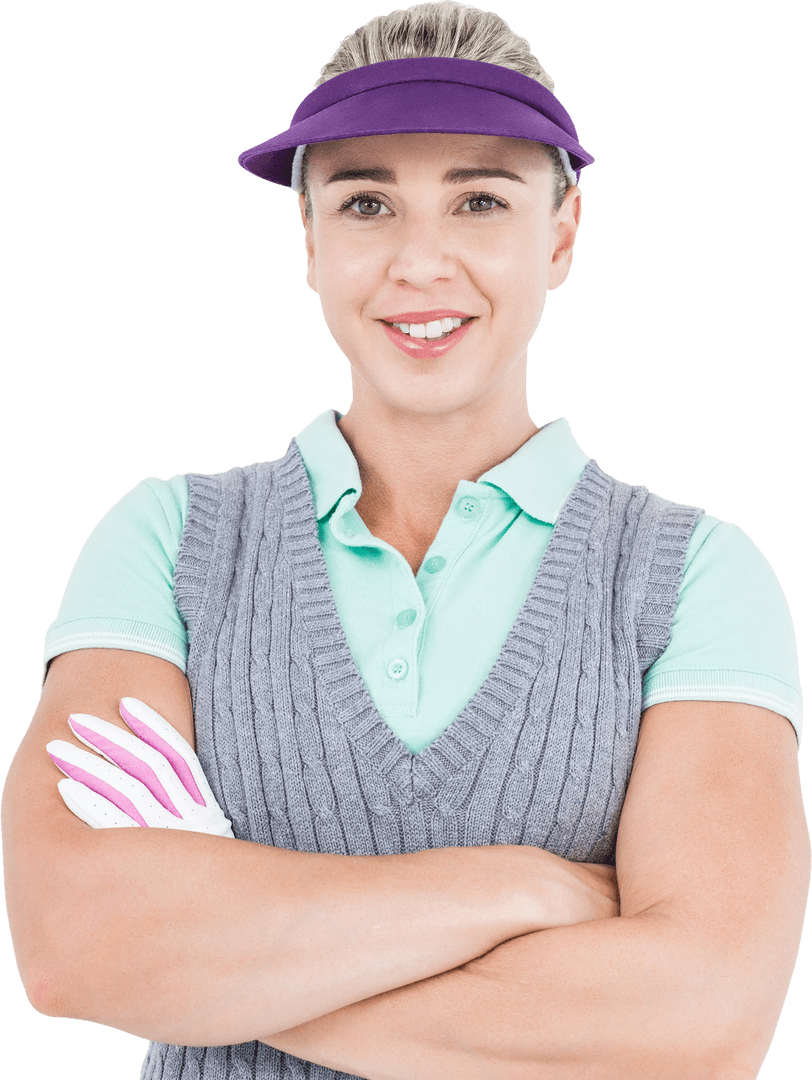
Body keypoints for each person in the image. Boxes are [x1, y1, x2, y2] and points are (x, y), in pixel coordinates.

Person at [2, 2, 808, 1078]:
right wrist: (520, 887)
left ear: (560, 233)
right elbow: (75, 947)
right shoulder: (171, 541)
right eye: (366, 202)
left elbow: (703, 1024)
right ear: (310, 241)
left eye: (479, 199)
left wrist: (213, 961)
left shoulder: (690, 578)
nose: (419, 263)